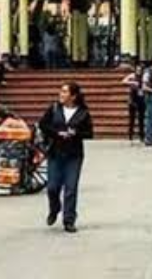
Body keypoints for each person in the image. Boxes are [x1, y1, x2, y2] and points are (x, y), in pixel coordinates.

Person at [37, 81, 94, 233]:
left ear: (73, 96)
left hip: (73, 154)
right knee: (52, 187)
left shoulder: (83, 112)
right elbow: (43, 125)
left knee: (71, 187)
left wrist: (75, 133)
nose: (61, 94)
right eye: (61, 91)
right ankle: (54, 208)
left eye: (65, 92)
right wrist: (57, 133)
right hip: (55, 152)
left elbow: (89, 133)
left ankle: (69, 219)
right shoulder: (54, 108)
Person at [120, 60, 145, 143]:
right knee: (132, 119)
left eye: (140, 70)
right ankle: (130, 136)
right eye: (137, 70)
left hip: (141, 99)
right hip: (133, 99)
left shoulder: (144, 77)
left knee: (141, 119)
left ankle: (142, 136)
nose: (139, 71)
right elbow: (123, 81)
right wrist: (132, 82)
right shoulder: (132, 76)